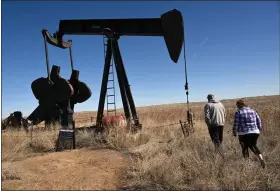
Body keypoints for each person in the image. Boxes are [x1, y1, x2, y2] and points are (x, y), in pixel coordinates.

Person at [233, 99, 265, 168]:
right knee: (253, 145)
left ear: (239, 105)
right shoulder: (253, 111)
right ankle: (260, 158)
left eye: (237, 105)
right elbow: (259, 122)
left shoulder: (238, 112)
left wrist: (234, 132)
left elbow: (236, 123)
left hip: (243, 133)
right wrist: (258, 130)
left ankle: (247, 164)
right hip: (255, 132)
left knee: (244, 147)